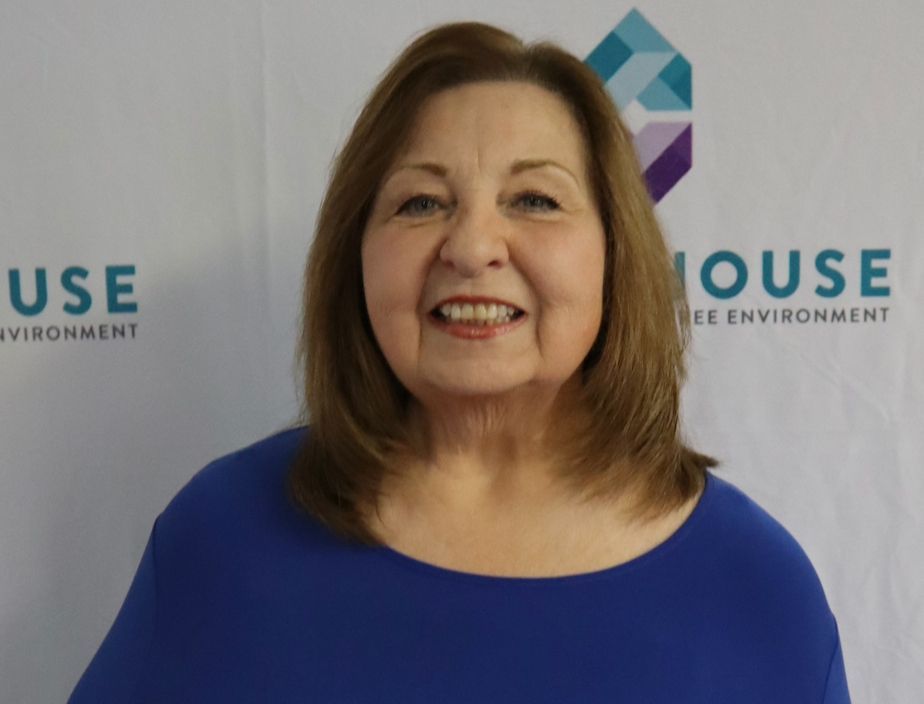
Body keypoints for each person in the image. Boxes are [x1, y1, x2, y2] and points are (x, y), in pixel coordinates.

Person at [69, 21, 850, 703]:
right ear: (357, 257)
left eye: (536, 200)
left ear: (617, 255)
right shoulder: (222, 536)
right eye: (420, 203)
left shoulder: (758, 591)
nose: (473, 247)